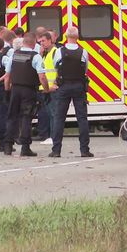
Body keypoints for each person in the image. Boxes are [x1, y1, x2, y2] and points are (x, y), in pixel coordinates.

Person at [3, 32, 50, 156]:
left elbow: (7, 76)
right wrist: (46, 90)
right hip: (29, 90)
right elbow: (42, 76)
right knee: (26, 117)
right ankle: (25, 147)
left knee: (12, 117)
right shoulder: (35, 57)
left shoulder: (14, 54)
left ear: (23, 42)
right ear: (34, 43)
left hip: (15, 89)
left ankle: (7, 145)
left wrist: (7, 90)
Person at [50, 26, 93, 158]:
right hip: (79, 86)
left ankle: (56, 150)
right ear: (77, 37)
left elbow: (56, 65)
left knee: (59, 118)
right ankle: (84, 150)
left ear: (66, 36)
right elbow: (85, 69)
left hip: (63, 86)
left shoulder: (59, 51)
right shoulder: (83, 52)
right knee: (82, 118)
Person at [35, 32, 57, 145]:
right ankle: (50, 136)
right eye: (40, 41)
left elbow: (59, 70)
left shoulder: (55, 52)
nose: (41, 43)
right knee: (48, 113)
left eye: (43, 41)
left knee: (53, 113)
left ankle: (53, 136)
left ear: (50, 40)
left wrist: (56, 84)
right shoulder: (45, 53)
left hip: (52, 89)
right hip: (44, 88)